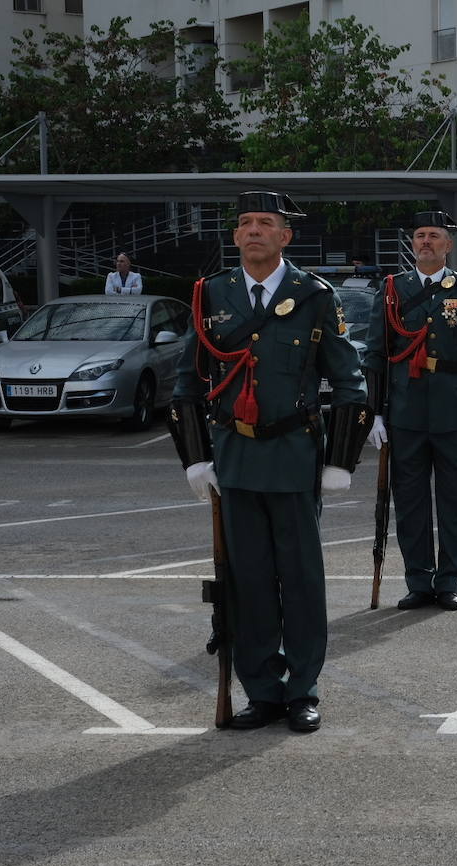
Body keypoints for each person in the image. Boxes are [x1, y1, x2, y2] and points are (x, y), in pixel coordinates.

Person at [166, 190, 370, 732]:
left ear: (286, 235)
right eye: (245, 223)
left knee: (300, 581)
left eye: (266, 223)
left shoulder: (315, 295)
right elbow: (186, 382)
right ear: (235, 236)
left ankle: (302, 689)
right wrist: (195, 459)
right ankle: (261, 690)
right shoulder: (211, 295)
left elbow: (350, 382)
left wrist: (341, 461)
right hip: (234, 458)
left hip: (295, 457)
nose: (254, 231)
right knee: (249, 582)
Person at [362, 210, 457, 612]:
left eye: (434, 236)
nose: (425, 242)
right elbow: (376, 355)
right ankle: (418, 580)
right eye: (419, 235)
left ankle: (450, 579)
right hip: (405, 411)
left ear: (448, 244)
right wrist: (375, 414)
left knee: (455, 501)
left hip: (453, 410)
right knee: (411, 502)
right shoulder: (391, 289)